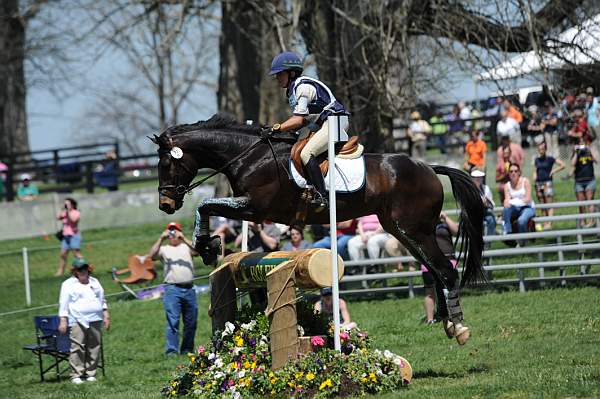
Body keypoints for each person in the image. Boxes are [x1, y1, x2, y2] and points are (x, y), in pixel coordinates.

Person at [268, 51, 349, 209]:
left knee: (306, 153)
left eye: (279, 74)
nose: (277, 78)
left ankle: (322, 196)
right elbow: (303, 121)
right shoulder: (293, 89)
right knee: (294, 146)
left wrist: (276, 128)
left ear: (291, 73)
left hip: (336, 121)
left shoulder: (303, 88)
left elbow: (298, 120)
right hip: (320, 123)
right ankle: (308, 187)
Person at [149, 222, 199, 355]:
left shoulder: (186, 246)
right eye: (170, 231)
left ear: (180, 232)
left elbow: (197, 251)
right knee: (173, 321)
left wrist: (184, 238)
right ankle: (171, 351)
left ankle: (187, 349)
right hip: (172, 289)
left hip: (189, 289)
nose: (172, 234)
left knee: (191, 322)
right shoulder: (164, 249)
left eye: (175, 231)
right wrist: (161, 238)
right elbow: (152, 255)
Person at [58, 258, 110, 384]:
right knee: (77, 347)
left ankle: (91, 373)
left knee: (94, 346)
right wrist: (63, 320)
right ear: (75, 271)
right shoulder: (68, 284)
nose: (82, 271)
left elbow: (102, 299)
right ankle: (76, 375)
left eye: (84, 268)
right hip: (77, 319)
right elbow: (63, 303)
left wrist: (106, 314)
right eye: (79, 269)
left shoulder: (95, 281)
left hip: (95, 318)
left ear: (88, 269)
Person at [422, 213, 458, 324]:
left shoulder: (445, 224)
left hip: (448, 261)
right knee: (430, 292)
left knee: (452, 290)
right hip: (429, 262)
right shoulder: (423, 224)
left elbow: (457, 231)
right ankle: (430, 320)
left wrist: (446, 218)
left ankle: (455, 316)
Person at [532, 141, 565, 230]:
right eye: (539, 149)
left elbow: (562, 165)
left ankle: (549, 223)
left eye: (542, 149)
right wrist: (534, 177)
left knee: (549, 203)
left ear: (545, 149)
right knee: (542, 203)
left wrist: (553, 171)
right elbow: (535, 170)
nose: (541, 151)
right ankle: (545, 222)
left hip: (547, 182)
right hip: (539, 183)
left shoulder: (550, 158)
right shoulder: (536, 160)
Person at [502, 163, 535, 239]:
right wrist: (509, 201)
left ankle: (523, 240)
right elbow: (506, 201)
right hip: (515, 209)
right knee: (506, 209)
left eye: (516, 171)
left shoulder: (525, 181)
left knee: (521, 221)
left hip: (527, 207)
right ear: (508, 173)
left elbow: (527, 199)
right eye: (511, 171)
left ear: (519, 172)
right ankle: (508, 232)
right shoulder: (507, 185)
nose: (513, 173)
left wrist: (512, 201)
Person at [569, 140, 596, 227]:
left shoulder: (589, 152)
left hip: (590, 180)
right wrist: (576, 152)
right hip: (579, 181)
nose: (581, 146)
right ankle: (583, 221)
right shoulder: (576, 153)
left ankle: (592, 220)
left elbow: (597, 160)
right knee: (581, 203)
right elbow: (572, 164)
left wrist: (590, 150)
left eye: (583, 144)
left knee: (589, 200)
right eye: (579, 144)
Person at [56, 198, 82, 276]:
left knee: (76, 254)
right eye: (65, 204)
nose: (66, 205)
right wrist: (62, 209)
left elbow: (73, 220)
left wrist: (68, 211)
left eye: (68, 204)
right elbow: (58, 217)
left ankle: (82, 268)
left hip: (74, 235)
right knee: (63, 254)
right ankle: (60, 271)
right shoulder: (65, 212)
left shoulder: (76, 212)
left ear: (73, 205)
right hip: (65, 236)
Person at [471, 169, 496, 236]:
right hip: (473, 213)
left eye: (480, 177)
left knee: (491, 220)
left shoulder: (486, 188)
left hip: (485, 211)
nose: (479, 179)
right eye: (476, 178)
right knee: (477, 221)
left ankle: (488, 242)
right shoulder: (469, 190)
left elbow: (492, 204)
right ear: (472, 179)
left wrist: (487, 203)